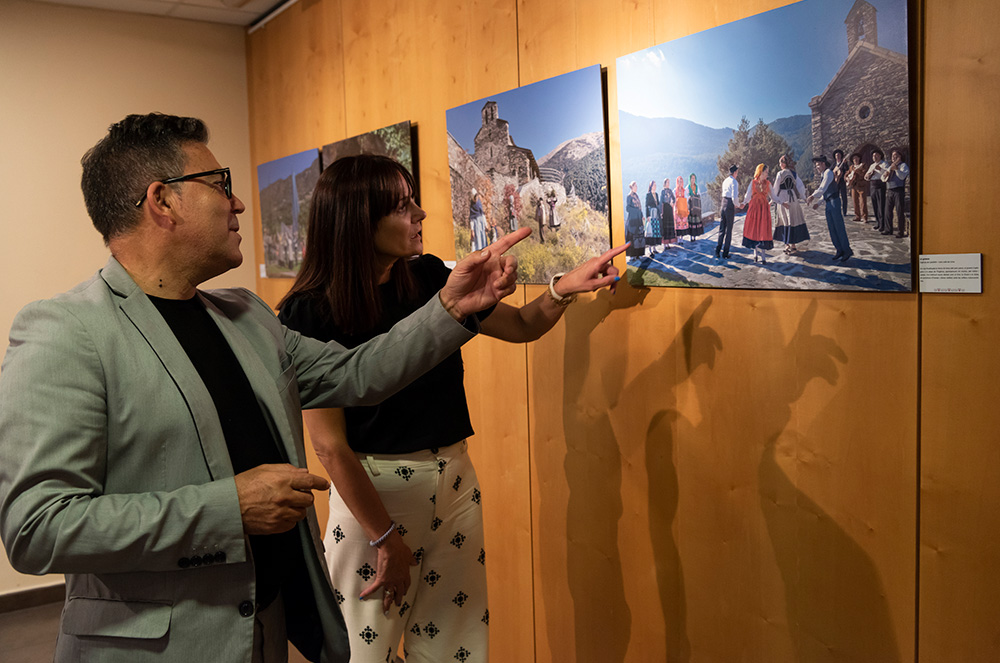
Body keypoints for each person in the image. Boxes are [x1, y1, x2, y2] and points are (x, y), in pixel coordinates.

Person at [0, 113, 527, 663]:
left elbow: (358, 374)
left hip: (266, 631)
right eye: (218, 184)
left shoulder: (246, 316)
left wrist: (449, 309)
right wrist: (228, 508)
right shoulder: (65, 332)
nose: (239, 203)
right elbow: (38, 526)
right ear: (162, 201)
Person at [277, 154, 625, 663]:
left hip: (456, 482)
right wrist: (385, 535)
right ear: (359, 219)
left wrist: (563, 288)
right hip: (374, 500)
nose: (420, 213)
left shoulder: (426, 278)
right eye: (402, 205)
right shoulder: (307, 310)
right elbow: (329, 446)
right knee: (361, 652)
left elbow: (523, 325)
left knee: (456, 648)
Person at [807, 155, 853, 262]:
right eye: (816, 165)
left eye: (818, 164)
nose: (817, 167)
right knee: (832, 228)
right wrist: (818, 203)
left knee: (839, 226)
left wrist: (812, 196)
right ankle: (839, 250)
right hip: (828, 203)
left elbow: (822, 188)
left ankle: (846, 250)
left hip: (834, 202)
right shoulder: (824, 174)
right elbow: (825, 192)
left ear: (823, 164)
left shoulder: (828, 173)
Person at [771, 155, 809, 254]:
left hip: (783, 198)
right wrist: (804, 198)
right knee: (793, 219)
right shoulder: (794, 173)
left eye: (780, 163)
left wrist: (773, 199)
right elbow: (800, 186)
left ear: (783, 163)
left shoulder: (780, 174)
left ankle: (787, 245)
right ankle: (793, 245)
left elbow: (775, 188)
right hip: (792, 197)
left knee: (785, 220)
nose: (779, 165)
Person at [740, 163, 777, 264]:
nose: (767, 174)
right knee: (755, 230)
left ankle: (763, 256)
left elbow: (773, 196)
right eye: (766, 172)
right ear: (760, 172)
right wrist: (743, 203)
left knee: (763, 230)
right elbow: (748, 196)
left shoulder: (768, 184)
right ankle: (755, 253)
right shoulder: (752, 183)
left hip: (764, 209)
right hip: (754, 209)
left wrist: (782, 202)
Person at [881, 148, 910, 238]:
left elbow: (902, 177)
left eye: (896, 155)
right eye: (893, 156)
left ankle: (900, 231)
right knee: (887, 211)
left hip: (898, 190)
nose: (893, 157)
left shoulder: (903, 166)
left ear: (900, 157)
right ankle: (888, 229)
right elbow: (883, 178)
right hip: (890, 190)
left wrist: (896, 169)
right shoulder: (891, 166)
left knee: (899, 211)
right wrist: (885, 175)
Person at [716, 165, 742, 259]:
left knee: (722, 229)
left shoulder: (725, 180)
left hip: (723, 204)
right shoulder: (734, 182)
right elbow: (734, 198)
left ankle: (717, 251)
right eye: (737, 172)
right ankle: (725, 253)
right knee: (729, 231)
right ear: (735, 172)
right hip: (730, 206)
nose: (737, 173)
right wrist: (739, 205)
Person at [865, 149, 889, 233]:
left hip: (880, 185)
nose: (874, 157)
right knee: (875, 205)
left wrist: (879, 169)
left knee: (881, 205)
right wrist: (868, 175)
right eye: (873, 156)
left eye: (876, 155)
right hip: (873, 185)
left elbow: (887, 173)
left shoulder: (884, 164)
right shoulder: (872, 165)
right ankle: (878, 222)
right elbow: (866, 176)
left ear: (880, 156)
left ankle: (882, 225)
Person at [845, 153, 869, 222]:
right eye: (854, 158)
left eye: (856, 158)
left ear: (859, 159)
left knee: (863, 202)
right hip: (853, 186)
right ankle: (857, 216)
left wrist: (857, 171)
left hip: (861, 185)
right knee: (855, 202)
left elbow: (863, 174)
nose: (855, 159)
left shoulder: (863, 166)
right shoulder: (851, 167)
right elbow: (846, 174)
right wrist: (847, 178)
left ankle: (864, 217)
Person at [625, 181, 645, 257]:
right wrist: (636, 211)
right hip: (632, 220)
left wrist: (642, 215)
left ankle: (638, 254)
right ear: (632, 187)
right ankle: (632, 255)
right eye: (635, 186)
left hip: (638, 219)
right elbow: (628, 208)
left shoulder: (636, 196)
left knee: (638, 236)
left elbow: (640, 207)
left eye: (637, 186)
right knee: (632, 237)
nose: (636, 188)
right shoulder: (629, 196)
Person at [645, 180, 661, 255]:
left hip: (656, 214)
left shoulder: (656, 194)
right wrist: (647, 216)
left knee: (655, 231)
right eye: (654, 185)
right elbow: (646, 205)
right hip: (651, 214)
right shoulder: (648, 195)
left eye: (655, 185)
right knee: (650, 231)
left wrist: (660, 212)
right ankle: (650, 248)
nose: (655, 186)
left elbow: (658, 204)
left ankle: (654, 248)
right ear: (651, 186)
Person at [660, 177, 677, 249]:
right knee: (665, 227)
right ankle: (665, 244)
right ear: (664, 183)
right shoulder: (662, 191)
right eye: (667, 182)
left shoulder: (670, 191)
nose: (668, 184)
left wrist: (673, 202)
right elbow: (661, 202)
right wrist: (661, 212)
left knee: (670, 226)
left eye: (669, 183)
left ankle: (669, 243)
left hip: (670, 209)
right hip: (665, 209)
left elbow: (674, 198)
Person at [686, 173, 704, 239]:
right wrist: (689, 197)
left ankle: (695, 235)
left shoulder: (696, 187)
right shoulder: (688, 187)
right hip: (691, 206)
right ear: (690, 179)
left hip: (696, 206)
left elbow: (699, 194)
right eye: (692, 178)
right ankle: (691, 236)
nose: (693, 180)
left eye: (694, 178)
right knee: (691, 220)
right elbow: (686, 195)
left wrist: (697, 196)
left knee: (696, 220)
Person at [832, 149, 849, 216]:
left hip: (842, 182)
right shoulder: (834, 164)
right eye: (836, 155)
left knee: (844, 196)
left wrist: (844, 164)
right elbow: (831, 171)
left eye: (839, 155)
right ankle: (837, 209)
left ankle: (844, 211)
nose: (838, 156)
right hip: (836, 182)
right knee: (836, 196)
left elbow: (847, 170)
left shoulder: (844, 163)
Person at [673, 176, 689, 241]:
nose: (680, 183)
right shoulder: (674, 190)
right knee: (678, 223)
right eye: (679, 181)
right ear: (677, 182)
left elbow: (686, 198)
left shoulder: (684, 190)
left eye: (681, 181)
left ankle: (682, 238)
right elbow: (673, 199)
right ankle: (678, 238)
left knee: (682, 223)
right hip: (677, 209)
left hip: (683, 208)